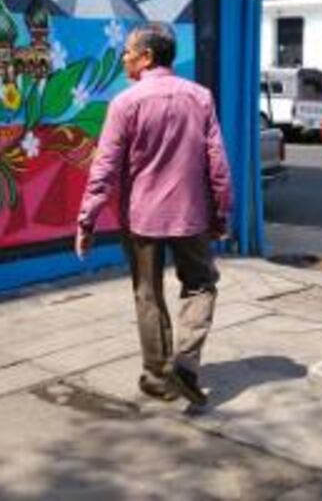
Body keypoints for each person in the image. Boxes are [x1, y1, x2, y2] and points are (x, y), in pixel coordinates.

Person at [75, 22, 233, 407]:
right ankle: (186, 365)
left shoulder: (125, 104)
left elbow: (104, 168)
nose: (123, 58)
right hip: (191, 214)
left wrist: (87, 220)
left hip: (141, 217)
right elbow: (217, 163)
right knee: (200, 285)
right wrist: (221, 212)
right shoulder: (199, 97)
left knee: (148, 292)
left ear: (146, 57)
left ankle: (159, 376)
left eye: (128, 52)